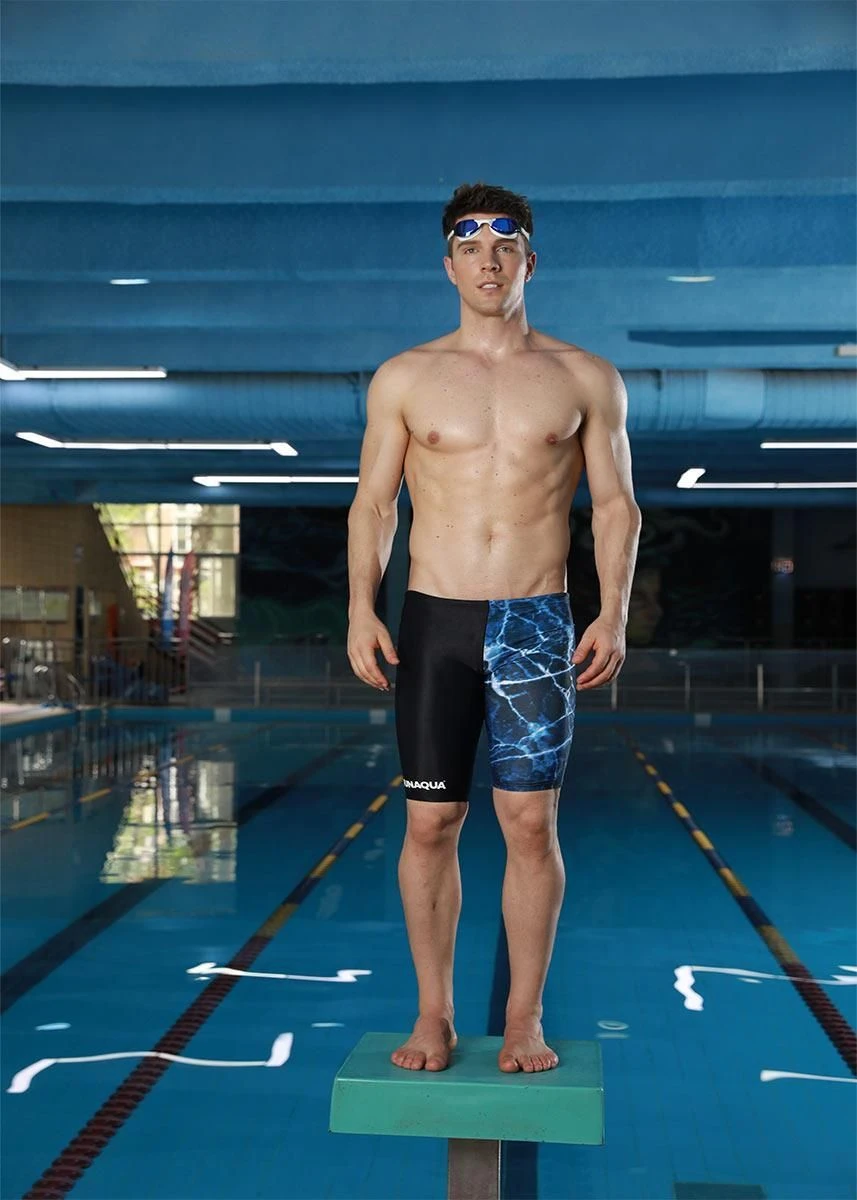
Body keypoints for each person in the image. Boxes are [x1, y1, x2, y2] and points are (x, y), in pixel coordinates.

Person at [346, 181, 640, 1075]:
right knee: (429, 824)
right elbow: (374, 505)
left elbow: (616, 506)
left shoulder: (584, 376)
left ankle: (523, 1019)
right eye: (469, 248)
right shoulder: (405, 377)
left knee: (529, 825)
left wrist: (613, 612)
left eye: (503, 247)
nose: (487, 262)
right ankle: (432, 1016)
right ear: (448, 266)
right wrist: (359, 606)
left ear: (528, 262)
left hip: (535, 623)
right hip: (433, 618)